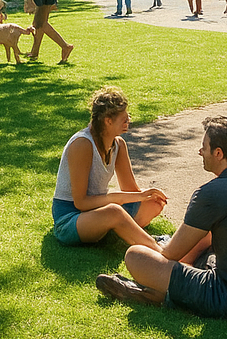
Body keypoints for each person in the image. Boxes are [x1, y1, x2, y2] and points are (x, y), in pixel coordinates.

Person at [96, 116, 227, 318]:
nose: (200, 152)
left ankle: (156, 295)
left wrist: (156, 248)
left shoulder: (211, 193)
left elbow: (170, 254)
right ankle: (175, 283)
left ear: (218, 153)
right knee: (206, 236)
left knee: (136, 256)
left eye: (203, 147)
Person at [52, 86, 168, 248]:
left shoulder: (118, 144)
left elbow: (130, 190)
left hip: (100, 210)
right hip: (70, 219)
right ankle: (160, 251)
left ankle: (114, 228)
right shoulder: (82, 144)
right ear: (108, 121)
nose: (129, 122)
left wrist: (146, 195)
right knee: (114, 212)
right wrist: (115, 199)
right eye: (125, 120)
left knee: (153, 203)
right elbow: (81, 203)